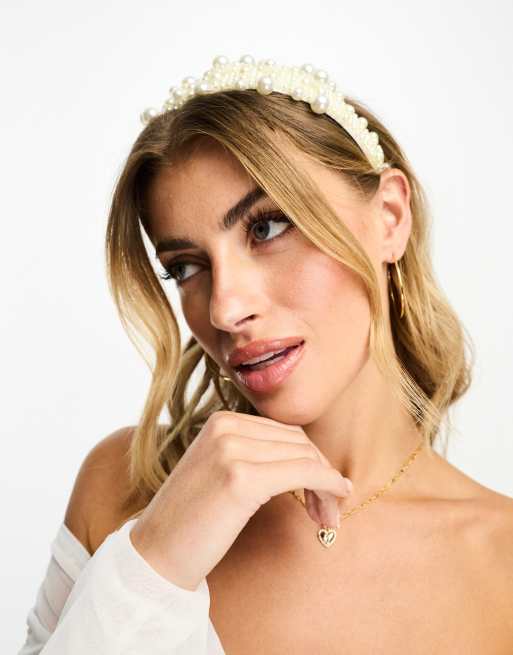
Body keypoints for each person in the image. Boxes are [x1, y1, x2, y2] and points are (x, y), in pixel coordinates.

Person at [18, 55, 513, 654]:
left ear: (388, 218)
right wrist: (155, 562)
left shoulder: (501, 565)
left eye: (267, 228)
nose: (224, 309)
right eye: (186, 267)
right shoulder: (125, 489)